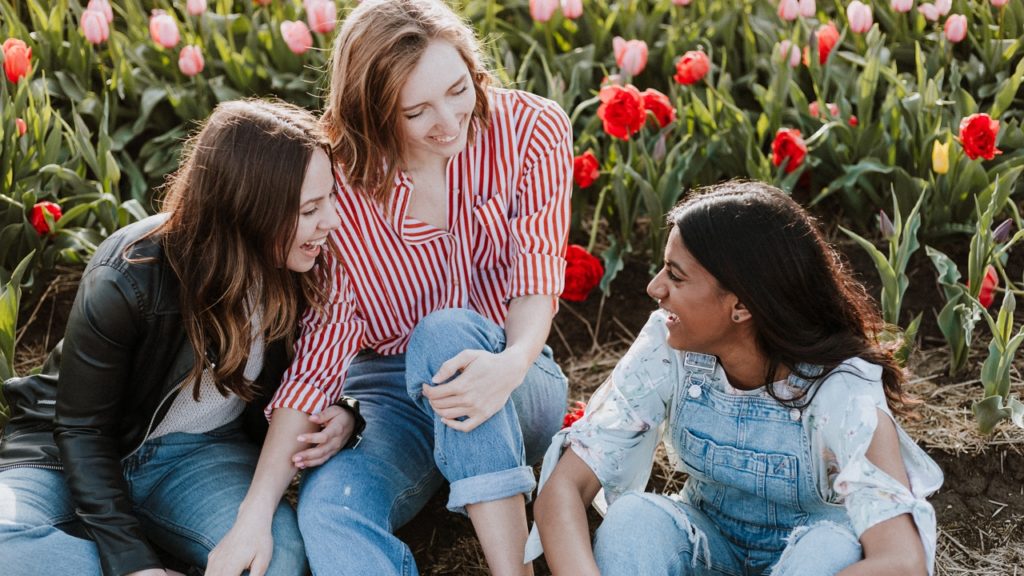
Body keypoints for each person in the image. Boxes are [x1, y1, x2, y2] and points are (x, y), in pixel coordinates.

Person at [253, 0, 572, 574]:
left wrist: (512, 362)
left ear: (472, 69)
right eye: (415, 111)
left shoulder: (531, 129)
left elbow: (537, 272)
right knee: (329, 511)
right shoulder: (343, 184)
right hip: (393, 395)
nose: (448, 122)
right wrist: (257, 510)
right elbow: (322, 352)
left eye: (457, 90)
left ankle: (512, 569)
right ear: (371, 113)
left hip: (514, 375)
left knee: (445, 333)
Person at [0, 99, 362, 576]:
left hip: (197, 455)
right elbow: (82, 430)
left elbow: (322, 366)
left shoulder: (307, 270)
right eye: (311, 208)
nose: (331, 221)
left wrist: (344, 413)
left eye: (330, 198)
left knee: (277, 560)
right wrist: (134, 566)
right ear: (247, 211)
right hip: (66, 453)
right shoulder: (128, 277)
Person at [530, 181, 944, 576]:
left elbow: (901, 562)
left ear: (742, 305)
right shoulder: (668, 345)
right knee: (634, 520)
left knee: (830, 548)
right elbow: (564, 489)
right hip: (709, 550)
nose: (655, 287)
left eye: (676, 276)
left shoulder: (842, 388)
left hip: (809, 561)